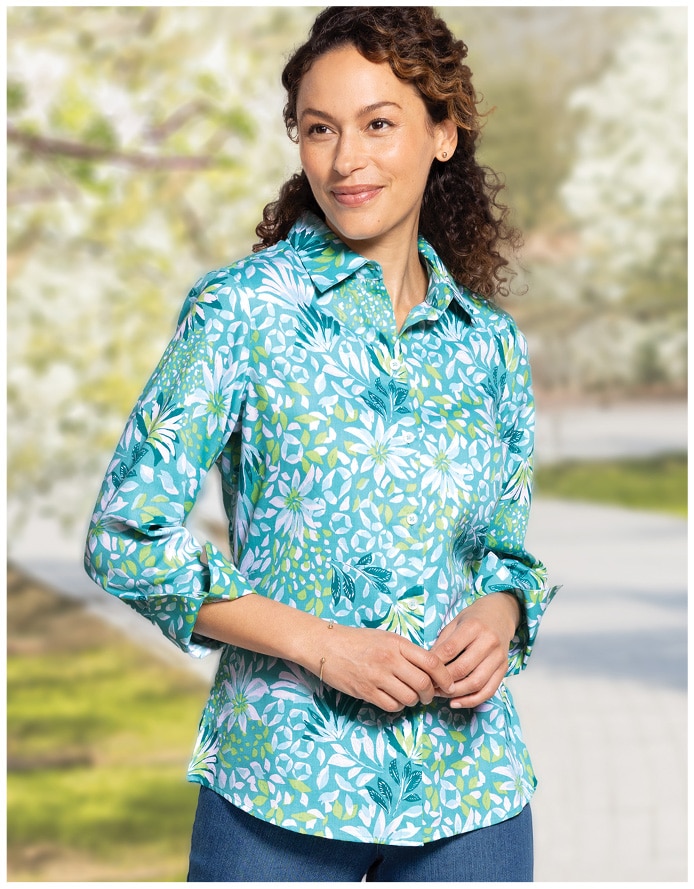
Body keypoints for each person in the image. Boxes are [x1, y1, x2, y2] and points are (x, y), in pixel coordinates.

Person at [84, 6, 557, 882]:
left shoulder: (488, 343)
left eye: (380, 124)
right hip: (277, 783)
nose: (348, 160)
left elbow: (505, 551)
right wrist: (321, 643)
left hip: (471, 793)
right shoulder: (243, 311)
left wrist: (502, 613)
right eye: (319, 129)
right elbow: (126, 536)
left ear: (443, 133)